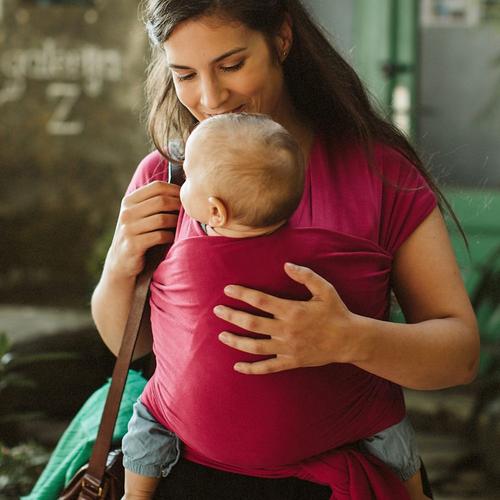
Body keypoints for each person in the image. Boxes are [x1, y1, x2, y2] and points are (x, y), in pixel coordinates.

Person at [91, 1, 479, 498]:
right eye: (184, 74)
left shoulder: (379, 172)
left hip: (344, 480)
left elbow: (459, 355)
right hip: (187, 478)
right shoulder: (167, 176)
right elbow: (131, 343)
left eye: (231, 65)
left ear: (281, 39)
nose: (210, 97)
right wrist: (120, 263)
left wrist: (349, 339)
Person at [121, 112, 427, 499]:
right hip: (335, 429)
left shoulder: (180, 262)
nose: (179, 177)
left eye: (189, 174)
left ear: (215, 211)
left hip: (194, 436)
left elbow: (136, 337)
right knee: (383, 412)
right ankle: (414, 490)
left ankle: (135, 493)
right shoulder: (339, 257)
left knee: (149, 414)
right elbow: (371, 272)